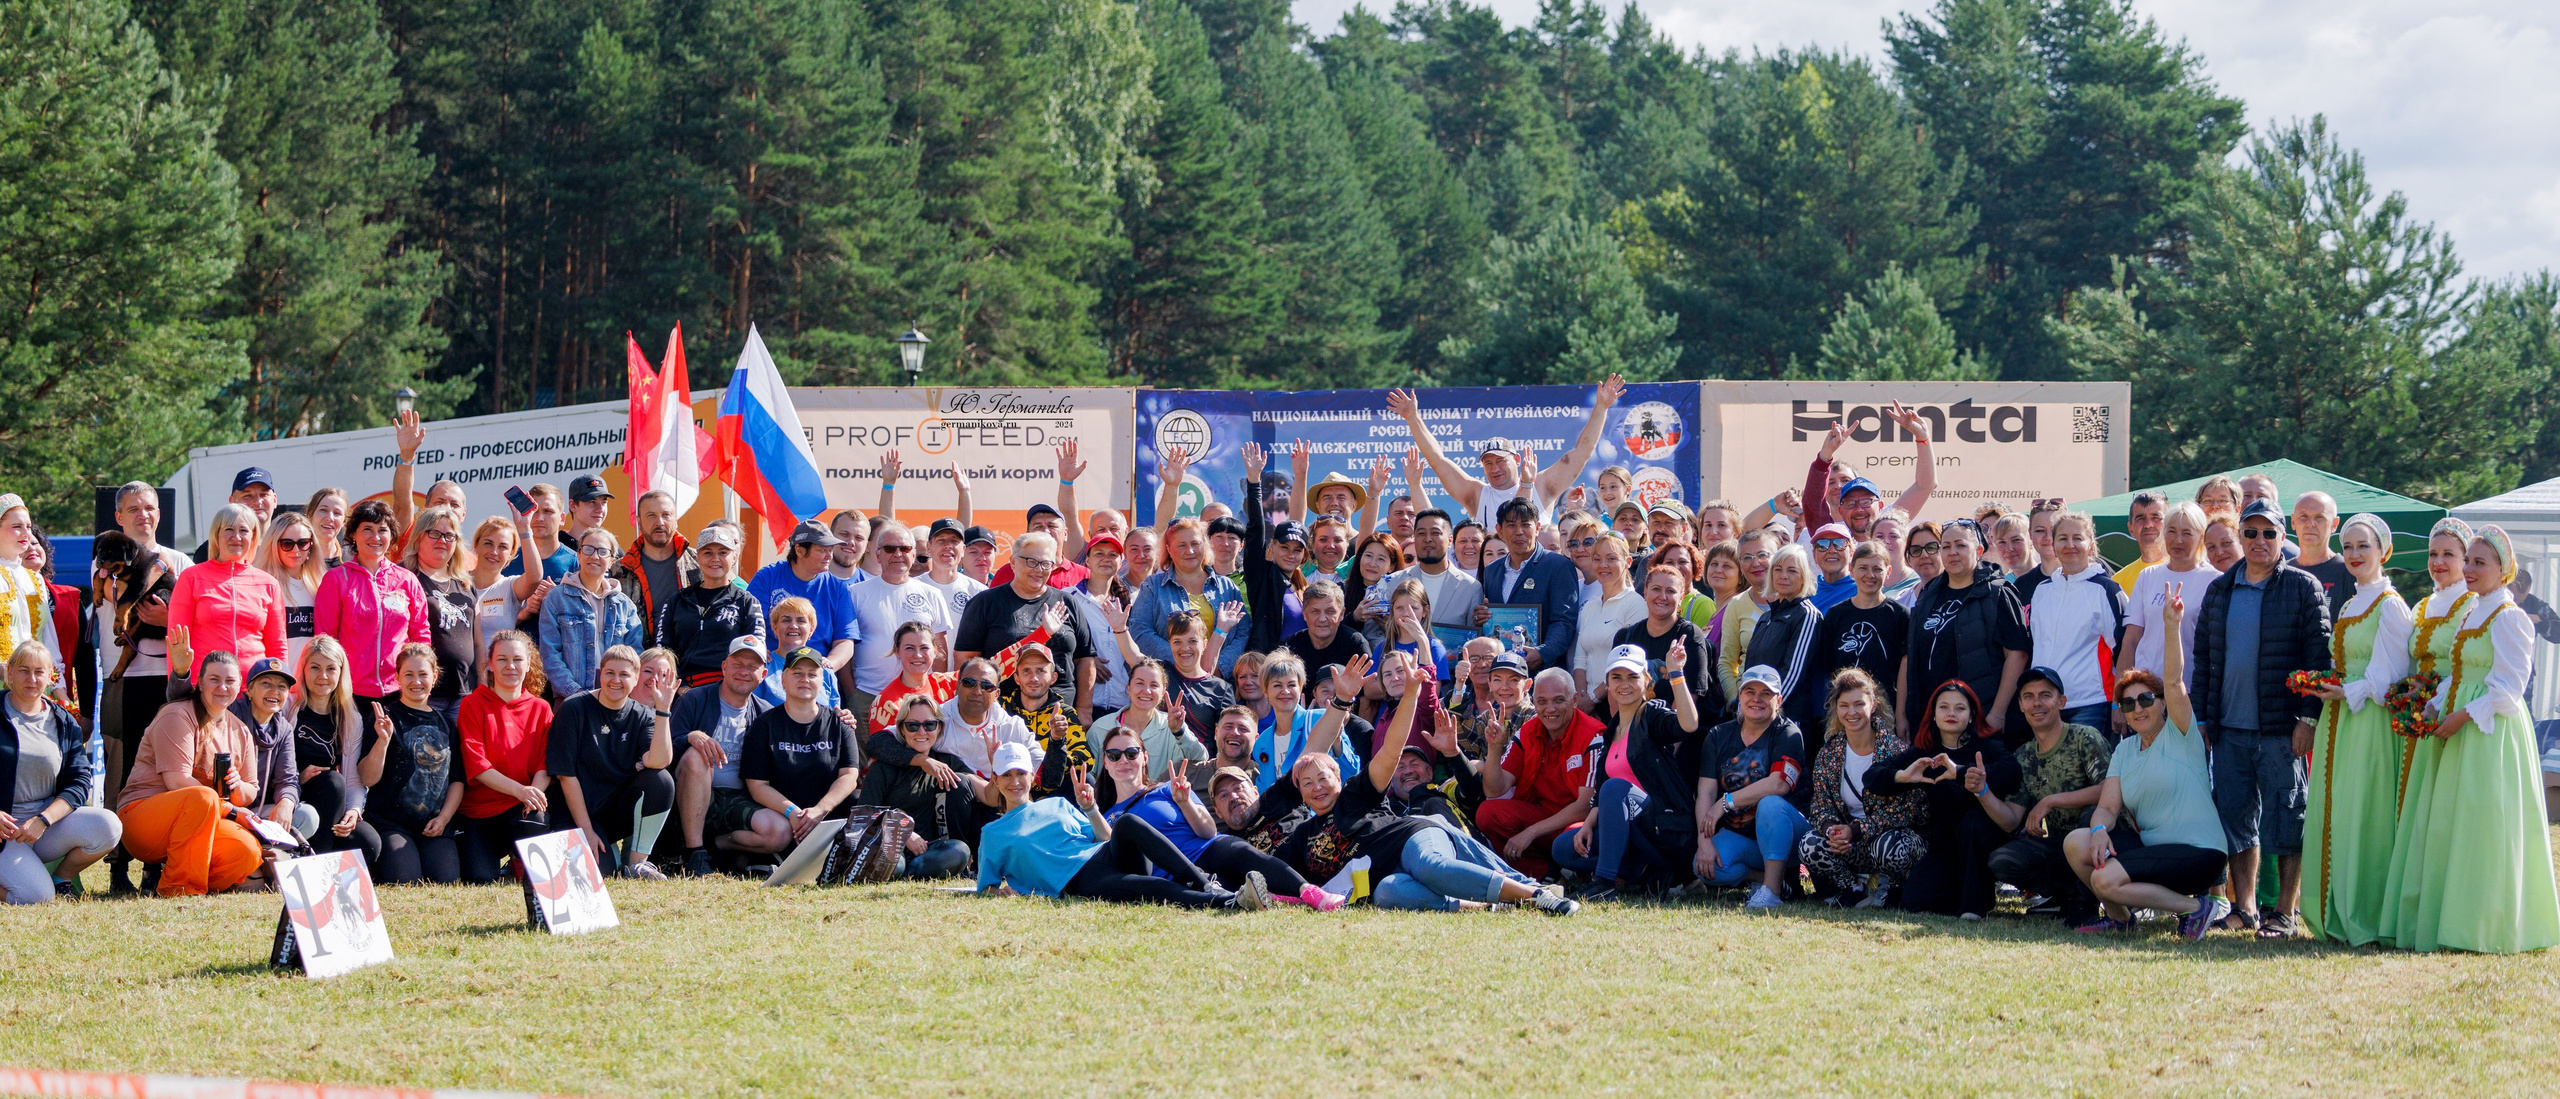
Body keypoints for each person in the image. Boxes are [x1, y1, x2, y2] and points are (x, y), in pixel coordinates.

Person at [1258, 665, 1574, 913]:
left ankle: (1535, 896)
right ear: (1300, 793)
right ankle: (1486, 905)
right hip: (1385, 877)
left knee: (1431, 866)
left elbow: (1392, 750)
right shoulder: (1302, 837)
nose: (1317, 788)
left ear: (1339, 779)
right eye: (1308, 783)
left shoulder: (1357, 793)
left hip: (1412, 839)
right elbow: (1271, 874)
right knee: (1388, 893)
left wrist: (1409, 697)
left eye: (1323, 778)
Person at [2380, 527, 2560, 954]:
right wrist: (2435, 704)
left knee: (2483, 820)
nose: (2472, 569)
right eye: (2471, 562)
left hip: (2489, 731)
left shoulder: (2510, 616)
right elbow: (2459, 674)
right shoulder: (2471, 613)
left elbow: (2509, 689)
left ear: (2504, 569)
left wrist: (2464, 714)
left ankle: (2482, 923)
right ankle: (2449, 917)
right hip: (2458, 722)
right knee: (2450, 821)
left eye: (2482, 562)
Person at [2192, 498, 2331, 940]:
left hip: (2280, 729)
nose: (2259, 541)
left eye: (2268, 533)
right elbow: (2203, 660)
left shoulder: (2304, 588)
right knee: (2236, 819)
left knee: (2287, 818)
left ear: (2282, 538)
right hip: (2228, 730)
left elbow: (2319, 660)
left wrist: (2308, 717)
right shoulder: (2219, 590)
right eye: (2249, 533)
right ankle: (2245, 907)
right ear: (2240, 538)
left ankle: (2284, 912)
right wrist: (2202, 721)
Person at [2065, 587, 2235, 940]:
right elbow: (2108, 808)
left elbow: (2173, 681)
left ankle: (2196, 908)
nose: (2137, 709)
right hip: (2155, 852)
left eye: (2145, 699)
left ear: (2161, 703)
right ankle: (2121, 918)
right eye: (2127, 704)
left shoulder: (2180, 733)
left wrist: (2171, 626)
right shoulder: (2125, 751)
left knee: (2105, 878)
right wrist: (2098, 831)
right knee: (2076, 842)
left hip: (2200, 854)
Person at [2296, 514, 2412, 945]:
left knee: (2365, 814)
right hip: (2340, 719)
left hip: (2369, 722)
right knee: (2338, 809)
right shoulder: (2349, 604)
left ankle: (2365, 911)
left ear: (2383, 551)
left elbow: (2390, 678)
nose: (2355, 555)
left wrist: (2345, 691)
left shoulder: (2390, 604)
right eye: (2348, 547)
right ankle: (2335, 910)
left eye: (2364, 546)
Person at [975, 742, 1268, 910]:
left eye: (1021, 773)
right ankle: (1228, 902)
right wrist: (1003, 893)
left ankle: (1206, 884)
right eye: (1007, 775)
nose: (1015, 782)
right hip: (1079, 881)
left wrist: (1090, 809)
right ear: (996, 780)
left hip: (1105, 855)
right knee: (1156, 888)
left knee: (1128, 821)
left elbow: (1104, 836)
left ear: (1031, 776)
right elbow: (985, 886)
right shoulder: (993, 833)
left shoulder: (1058, 804)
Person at [1093, 724, 1341, 908]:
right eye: (1114, 755)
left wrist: (1184, 801)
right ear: (1105, 761)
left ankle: (1311, 892)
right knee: (1231, 886)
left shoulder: (1168, 787)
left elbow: (1208, 831)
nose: (1123, 760)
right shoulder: (1106, 815)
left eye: (1132, 753)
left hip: (1207, 848)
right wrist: (1090, 810)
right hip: (1176, 875)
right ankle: (1282, 900)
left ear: (1144, 757)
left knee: (1241, 853)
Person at [1549, 641, 1702, 898]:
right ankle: (1649, 873)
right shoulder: (1610, 731)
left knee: (1616, 788)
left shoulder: (1652, 715)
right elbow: (1601, 794)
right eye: (1617, 677)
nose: (1625, 684)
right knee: (1563, 848)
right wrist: (1587, 824)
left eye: (1633, 676)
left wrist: (1676, 674)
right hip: (1633, 834)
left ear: (1646, 680)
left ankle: (1605, 883)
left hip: (1665, 830)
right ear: (1608, 683)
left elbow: (1689, 725)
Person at [1864, 679, 2020, 919]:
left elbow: (2012, 772)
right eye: (1944, 707)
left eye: (1960, 708)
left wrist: (1961, 772)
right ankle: (1960, 893)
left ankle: (1974, 907)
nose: (1951, 713)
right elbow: (1871, 777)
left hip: (1983, 837)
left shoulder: (1986, 744)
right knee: (1914, 902)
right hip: (1944, 845)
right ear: (1933, 716)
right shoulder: (1926, 752)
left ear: (1971, 716)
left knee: (1972, 823)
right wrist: (1902, 776)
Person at [116, 651, 265, 896]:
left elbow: (250, 791)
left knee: (246, 850)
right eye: (215, 679)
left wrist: (237, 786)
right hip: (144, 817)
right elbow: (176, 781)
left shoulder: (240, 730)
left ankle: (171, 879)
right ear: (200, 682)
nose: (222, 687)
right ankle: (181, 888)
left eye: (230, 681)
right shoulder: (178, 714)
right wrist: (233, 811)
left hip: (204, 820)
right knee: (202, 797)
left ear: (241, 687)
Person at [1982, 667, 2112, 925]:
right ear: (2019, 705)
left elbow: (2108, 790)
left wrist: (2050, 800)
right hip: (2061, 848)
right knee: (2003, 860)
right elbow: (2010, 819)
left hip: (2104, 842)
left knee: (2089, 815)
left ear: (2061, 702)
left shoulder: (2085, 737)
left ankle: (2087, 905)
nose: (2036, 703)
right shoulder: (2023, 755)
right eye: (2028, 697)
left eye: (2045, 695)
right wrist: (1981, 791)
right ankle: (2067, 895)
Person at [1792, 668, 1921, 908]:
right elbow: (1820, 806)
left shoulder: (1897, 752)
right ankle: (1853, 888)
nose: (1851, 712)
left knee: (1890, 846)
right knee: (1809, 844)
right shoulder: (1829, 753)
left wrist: (1856, 829)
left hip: (1892, 843)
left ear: (1873, 705)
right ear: (1836, 708)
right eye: (1844, 705)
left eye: (1858, 704)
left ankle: (1892, 888)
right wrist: (1833, 830)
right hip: (1851, 846)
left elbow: (1905, 813)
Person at [546, 645, 676, 878]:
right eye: (610, 673)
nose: (616, 680)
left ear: (635, 679)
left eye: (624, 675)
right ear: (601, 674)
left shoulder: (642, 714)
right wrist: (586, 831)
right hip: (574, 812)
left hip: (612, 811)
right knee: (602, 872)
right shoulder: (574, 708)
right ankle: (609, 856)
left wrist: (663, 710)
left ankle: (637, 865)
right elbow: (566, 776)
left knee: (661, 780)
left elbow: (658, 762)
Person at [1, 644, 117, 902]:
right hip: (4, 830)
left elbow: (79, 781)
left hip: (43, 825)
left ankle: (61, 878)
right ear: (9, 673)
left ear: (50, 676)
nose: (32, 679)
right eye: (23, 671)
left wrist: (42, 820)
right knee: (36, 897)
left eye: (39, 672)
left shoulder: (63, 721)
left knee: (109, 826)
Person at [1691, 665, 1813, 907]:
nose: (1757, 699)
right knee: (1703, 865)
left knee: (1770, 804)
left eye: (1766, 694)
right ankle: (1767, 879)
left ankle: (1771, 891)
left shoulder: (1788, 733)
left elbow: (1779, 784)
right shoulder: (1718, 735)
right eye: (1750, 691)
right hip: (1744, 837)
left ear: (1778, 700)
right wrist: (1704, 840)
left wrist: (1725, 803)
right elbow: (1705, 791)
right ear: (1739, 696)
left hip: (1790, 836)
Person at [1901, 519, 2028, 744]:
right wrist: (1904, 714)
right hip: (1932, 723)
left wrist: (1997, 714)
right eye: (1946, 546)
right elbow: (1910, 658)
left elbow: (2017, 655)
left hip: (1981, 721)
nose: (1953, 552)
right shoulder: (1929, 594)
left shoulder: (1998, 593)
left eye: (1961, 545)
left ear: (1979, 550)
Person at [1471, 666, 1601, 879]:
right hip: (1543, 817)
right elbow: (1495, 790)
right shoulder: (1528, 731)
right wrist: (1494, 749)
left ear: (1575, 700)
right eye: (1542, 701)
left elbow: (1585, 807)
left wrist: (1529, 833)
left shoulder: (1593, 735)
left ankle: (1586, 871)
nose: (1549, 709)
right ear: (1534, 702)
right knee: (1487, 812)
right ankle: (1543, 873)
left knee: (1569, 839)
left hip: (1577, 822)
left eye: (1558, 700)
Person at [954, 531, 1095, 722]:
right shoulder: (985, 603)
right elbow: (966, 662)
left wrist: (1084, 710)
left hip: (1061, 716)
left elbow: (1085, 660)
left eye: (1046, 563)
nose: (1039, 569)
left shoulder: (1067, 602)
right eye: (1031, 561)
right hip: (1003, 715)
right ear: (1012, 562)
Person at [736, 647, 863, 859]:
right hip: (784, 815)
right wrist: (794, 813)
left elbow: (849, 776)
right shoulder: (764, 725)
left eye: (812, 674)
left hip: (827, 813)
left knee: (859, 800)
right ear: (783, 680)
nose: (805, 679)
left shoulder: (840, 723)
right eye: (797, 673)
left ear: (822, 681)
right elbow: (757, 786)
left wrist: (821, 810)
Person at [356, 644, 465, 884]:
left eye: (423, 674)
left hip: (434, 824)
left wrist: (444, 819)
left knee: (446, 880)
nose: (416, 681)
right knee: (406, 880)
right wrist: (382, 742)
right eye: (408, 675)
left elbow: (457, 780)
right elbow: (367, 778)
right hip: (391, 824)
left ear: (434, 677)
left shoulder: (446, 724)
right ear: (397, 678)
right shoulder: (384, 719)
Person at [453, 630, 552, 884]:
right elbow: (478, 766)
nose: (510, 666)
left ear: (528, 665)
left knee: (537, 818)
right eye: (502, 659)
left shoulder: (541, 709)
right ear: (490, 664)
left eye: (518, 659)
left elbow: (545, 765)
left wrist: (533, 796)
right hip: (478, 813)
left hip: (519, 809)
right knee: (479, 878)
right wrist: (522, 791)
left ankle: (519, 861)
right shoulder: (472, 704)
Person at [668, 637, 774, 873]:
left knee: (778, 832)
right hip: (690, 795)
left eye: (752, 666)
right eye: (738, 663)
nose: (744, 672)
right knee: (697, 755)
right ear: (724, 666)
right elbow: (666, 753)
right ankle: (694, 853)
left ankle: (716, 847)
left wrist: (837, 718)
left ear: (764, 673)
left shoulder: (766, 713)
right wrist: (689, 737)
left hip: (738, 798)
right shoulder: (694, 699)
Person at [314, 500, 431, 709]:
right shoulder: (337, 579)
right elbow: (325, 639)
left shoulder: (407, 580)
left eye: (382, 530)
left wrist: (418, 678)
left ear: (391, 536)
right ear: (353, 535)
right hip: (350, 693)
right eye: (367, 529)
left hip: (400, 691)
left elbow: (420, 634)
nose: (375, 537)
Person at [855, 696, 981, 877]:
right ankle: (905, 872)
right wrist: (903, 834)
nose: (921, 732)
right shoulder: (882, 768)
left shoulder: (947, 762)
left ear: (939, 728)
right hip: (890, 845)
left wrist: (999, 774)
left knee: (959, 850)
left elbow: (985, 793)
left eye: (929, 725)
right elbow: (865, 816)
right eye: (912, 726)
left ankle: (910, 873)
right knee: (893, 862)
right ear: (901, 729)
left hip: (927, 850)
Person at [845, 519, 954, 723]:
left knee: (916, 754)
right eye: (889, 548)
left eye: (904, 548)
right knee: (865, 756)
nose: (897, 554)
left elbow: (940, 649)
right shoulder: (855, 594)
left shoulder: (932, 594)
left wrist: (934, 692)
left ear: (913, 554)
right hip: (868, 696)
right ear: (877, 554)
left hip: (918, 699)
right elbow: (844, 646)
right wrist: (852, 694)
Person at [2028, 511, 2126, 732]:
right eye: (2062, 538)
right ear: (2053, 545)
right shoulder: (2041, 591)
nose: (2070, 545)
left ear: (2091, 545)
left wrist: (2119, 702)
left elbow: (2123, 651)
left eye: (2078, 538)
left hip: (2090, 703)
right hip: (2045, 706)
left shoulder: (2106, 590)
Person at [169, 503, 286, 684]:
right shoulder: (191, 578)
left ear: (254, 536)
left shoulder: (269, 584)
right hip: (205, 691)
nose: (236, 537)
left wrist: (280, 688)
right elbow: (176, 642)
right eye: (229, 529)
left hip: (254, 694)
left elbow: (277, 646)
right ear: (216, 534)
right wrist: (179, 687)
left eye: (244, 531)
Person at [290, 637, 379, 865]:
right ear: (303, 670)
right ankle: (317, 867)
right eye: (315, 668)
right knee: (332, 781)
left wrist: (354, 810)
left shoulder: (350, 717)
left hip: (333, 801)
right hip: (296, 798)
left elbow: (352, 778)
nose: (323, 676)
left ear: (341, 673)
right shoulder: (288, 709)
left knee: (368, 843)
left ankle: (324, 859)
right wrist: (298, 780)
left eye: (331, 669)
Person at [747, 520, 861, 689]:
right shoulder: (767, 577)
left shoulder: (837, 588)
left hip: (815, 677)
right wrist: (758, 649)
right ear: (800, 550)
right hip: (769, 674)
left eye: (830, 550)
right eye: (822, 550)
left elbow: (845, 641)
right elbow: (749, 624)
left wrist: (828, 664)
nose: (829, 556)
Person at [1128, 518, 1249, 676]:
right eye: (1182, 545)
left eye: (1195, 544)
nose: (1190, 551)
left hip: (1218, 682)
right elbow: (1140, 631)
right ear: (1169, 549)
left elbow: (1243, 632)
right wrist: (1184, 663)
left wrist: (1217, 668)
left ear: (1204, 545)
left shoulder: (1227, 587)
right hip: (1169, 679)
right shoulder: (1152, 587)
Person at [2121, 503, 2221, 692]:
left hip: (2189, 691)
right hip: (2145, 692)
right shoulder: (2148, 576)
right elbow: (2131, 640)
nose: (2178, 540)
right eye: (2172, 531)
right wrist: (2120, 700)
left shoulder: (2214, 581)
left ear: (2201, 537)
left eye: (2187, 533)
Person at [539, 527, 646, 698]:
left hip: (615, 694)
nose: (594, 556)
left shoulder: (624, 605)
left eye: (603, 551)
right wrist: (574, 693)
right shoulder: (556, 598)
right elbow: (549, 654)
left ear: (612, 560)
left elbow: (634, 654)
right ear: (578, 555)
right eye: (588, 549)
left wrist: (619, 689)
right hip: (569, 696)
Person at [1477, 498, 1582, 672]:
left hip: (1543, 673)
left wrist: (1543, 653)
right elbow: (1493, 618)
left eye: (1526, 524)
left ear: (1537, 528)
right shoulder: (1491, 571)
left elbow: (1564, 620)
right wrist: (1481, 617)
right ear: (1500, 531)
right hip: (1502, 672)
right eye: (1511, 525)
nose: (1519, 532)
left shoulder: (1559, 566)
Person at [655, 521, 762, 687]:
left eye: (722, 552)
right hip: (682, 694)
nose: (715, 559)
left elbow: (754, 653)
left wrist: (729, 691)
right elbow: (663, 652)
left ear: (734, 557)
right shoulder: (676, 601)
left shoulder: (747, 603)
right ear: (697, 557)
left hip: (729, 693)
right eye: (707, 553)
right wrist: (680, 687)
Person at [401, 505, 481, 722]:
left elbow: (477, 642)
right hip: (422, 693)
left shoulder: (465, 584)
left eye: (449, 536)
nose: (442, 541)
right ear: (418, 537)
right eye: (434, 533)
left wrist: (482, 686)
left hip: (463, 692)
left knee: (458, 755)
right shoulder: (404, 577)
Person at [1815, 541, 1908, 714]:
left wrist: (1902, 715)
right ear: (1851, 570)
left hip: (1887, 710)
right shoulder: (1836, 615)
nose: (1870, 575)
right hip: (1845, 711)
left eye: (1877, 569)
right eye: (1863, 568)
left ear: (1888, 572)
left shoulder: (1900, 615)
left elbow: (1906, 670)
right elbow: (1829, 667)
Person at [1083, 660, 1208, 785]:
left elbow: (1200, 758)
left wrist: (1179, 732)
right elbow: (1088, 776)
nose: (1146, 691)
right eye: (1139, 683)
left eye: (1154, 685)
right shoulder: (1101, 728)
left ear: (1163, 692)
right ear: (1129, 687)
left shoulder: (1171, 725)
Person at [1613, 564, 1716, 715]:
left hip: (1675, 730)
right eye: (1656, 589)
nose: (1663, 597)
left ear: (1681, 598)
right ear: (1645, 593)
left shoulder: (1690, 635)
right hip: (1632, 729)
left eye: (1670, 591)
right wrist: (1626, 734)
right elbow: (1614, 694)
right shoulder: (1625, 636)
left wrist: (1665, 737)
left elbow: (1691, 696)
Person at [1743, 543, 1825, 731]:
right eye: (1778, 569)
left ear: (1804, 577)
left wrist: (1770, 709)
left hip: (1787, 719)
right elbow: (1750, 667)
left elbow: (1794, 672)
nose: (1784, 576)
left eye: (1792, 571)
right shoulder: (1766, 617)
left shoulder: (1807, 615)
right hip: (1756, 715)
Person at [1239, 442, 1309, 654]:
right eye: (1284, 547)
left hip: (1300, 673)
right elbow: (1255, 530)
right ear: (1272, 546)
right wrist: (1254, 481)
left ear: (1305, 555)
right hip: (1269, 669)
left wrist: (1301, 476)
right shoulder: (1262, 575)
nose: (1290, 554)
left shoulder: (1304, 586)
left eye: (1297, 550)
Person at [607, 490, 697, 649]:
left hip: (692, 660)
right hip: (640, 662)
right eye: (651, 515)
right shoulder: (619, 571)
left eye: (666, 514)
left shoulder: (698, 562)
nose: (660, 522)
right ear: (639, 522)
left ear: (676, 519)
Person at [1570, 532, 1646, 702]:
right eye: (1597, 559)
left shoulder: (1636, 604)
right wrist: (1582, 699)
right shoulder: (1590, 606)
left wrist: (1593, 699)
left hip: (1617, 702)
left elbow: (1627, 663)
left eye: (1611, 559)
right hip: (1585, 704)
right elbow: (1580, 660)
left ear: (1627, 562)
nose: (1603, 565)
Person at [465, 513, 548, 666]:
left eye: (503, 547)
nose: (494, 552)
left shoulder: (510, 586)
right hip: (461, 675)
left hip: (497, 677)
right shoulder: (458, 582)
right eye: (488, 543)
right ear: (476, 545)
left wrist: (524, 530)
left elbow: (535, 576)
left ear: (511, 554)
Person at [255, 511, 326, 674]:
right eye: (287, 543)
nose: (296, 550)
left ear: (311, 546)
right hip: (278, 681)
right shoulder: (263, 585)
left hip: (313, 685)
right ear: (274, 545)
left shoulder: (319, 585)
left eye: (303, 543)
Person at [1714, 529, 1776, 700]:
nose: (1755, 563)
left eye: (1762, 555)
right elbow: (1727, 662)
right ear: (1740, 565)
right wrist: (1735, 700)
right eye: (1747, 558)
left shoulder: (1794, 601)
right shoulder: (1736, 605)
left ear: (1777, 557)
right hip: (1747, 702)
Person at [188, 467, 280, 562]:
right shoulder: (210, 550)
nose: (257, 501)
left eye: (264, 494)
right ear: (232, 502)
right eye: (247, 496)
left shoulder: (287, 544)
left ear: (274, 500)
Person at [2290, 491, 2354, 618]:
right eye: (2303, 516)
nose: (2310, 523)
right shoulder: (2281, 573)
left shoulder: (2349, 573)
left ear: (2334, 524)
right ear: (2293, 522)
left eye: (2319, 517)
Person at [919, 518, 989, 624]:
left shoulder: (979, 593)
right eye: (941, 540)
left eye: (954, 541)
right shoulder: (913, 588)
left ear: (963, 550)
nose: (948, 546)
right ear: (929, 547)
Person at [2114, 491, 2169, 593]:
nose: (2148, 525)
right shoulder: (2118, 582)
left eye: (2156, 518)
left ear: (2169, 524)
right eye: (2140, 519)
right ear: (2131, 529)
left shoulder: (2184, 570)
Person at [1807, 523, 1856, 612]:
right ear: (1814, 555)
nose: (1832, 550)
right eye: (1822, 545)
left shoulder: (1861, 591)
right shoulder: (1806, 593)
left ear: (1851, 553)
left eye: (1840, 543)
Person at [305, 487, 350, 569]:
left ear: (344, 521)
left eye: (337, 513)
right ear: (310, 514)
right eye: (323, 510)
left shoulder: (352, 563)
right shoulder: (299, 561)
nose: (330, 518)